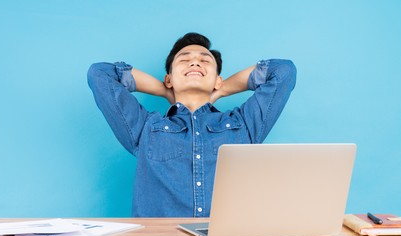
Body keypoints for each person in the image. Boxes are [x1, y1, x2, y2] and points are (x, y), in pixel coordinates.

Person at [87, 32, 296, 217]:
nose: (195, 63)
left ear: (218, 79)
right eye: (184, 60)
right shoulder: (145, 127)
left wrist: (221, 90)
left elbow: (283, 71)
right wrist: (164, 90)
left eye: (205, 60)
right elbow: (100, 74)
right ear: (169, 78)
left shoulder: (243, 124)